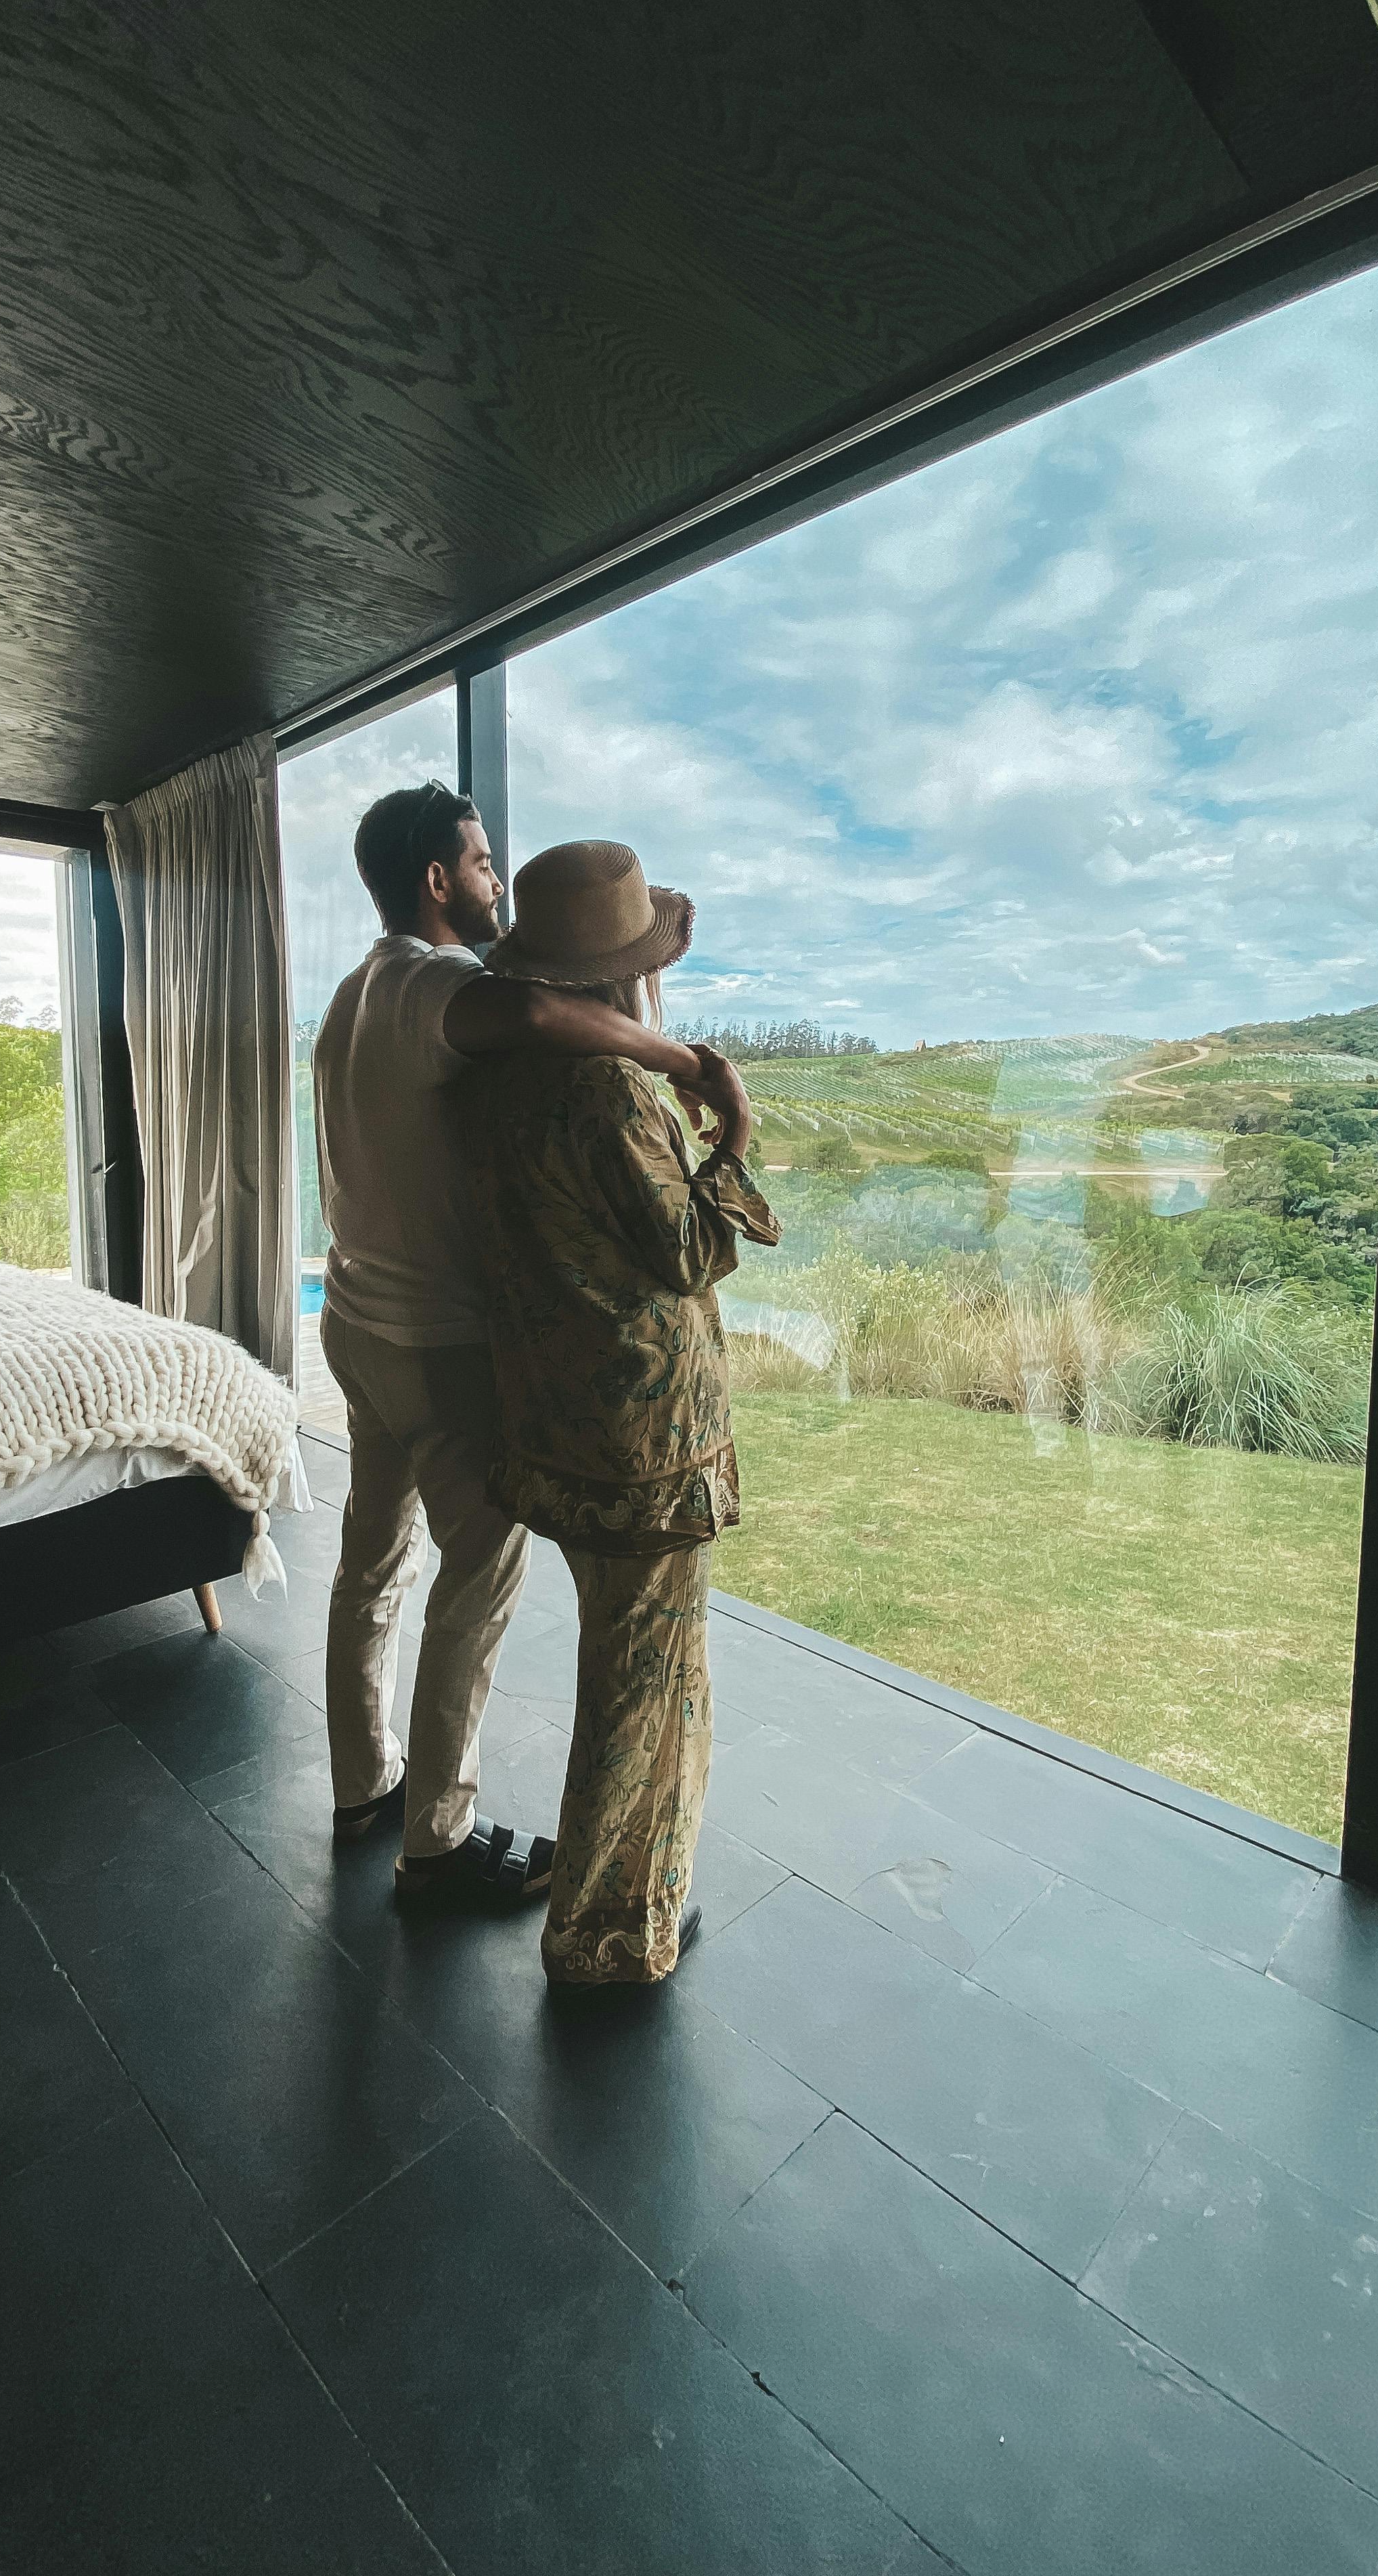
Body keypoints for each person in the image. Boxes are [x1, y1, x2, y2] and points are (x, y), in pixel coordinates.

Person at [311, 782, 730, 1911]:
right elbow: (540, 1018)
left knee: (372, 1562)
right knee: (480, 1575)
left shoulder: (352, 992)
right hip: (432, 1338)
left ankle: (363, 1783)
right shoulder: (431, 983)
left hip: (353, 1319)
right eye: (484, 863)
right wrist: (684, 1062)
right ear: (437, 880)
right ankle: (438, 1838)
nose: (497, 883)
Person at [460, 839, 778, 1983]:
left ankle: (623, 1904)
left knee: (626, 1665)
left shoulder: (500, 1082)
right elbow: (689, 1252)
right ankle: (606, 1932)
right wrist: (732, 1133)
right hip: (645, 1444)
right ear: (627, 974)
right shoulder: (607, 1092)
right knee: (645, 1688)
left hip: (560, 1423)